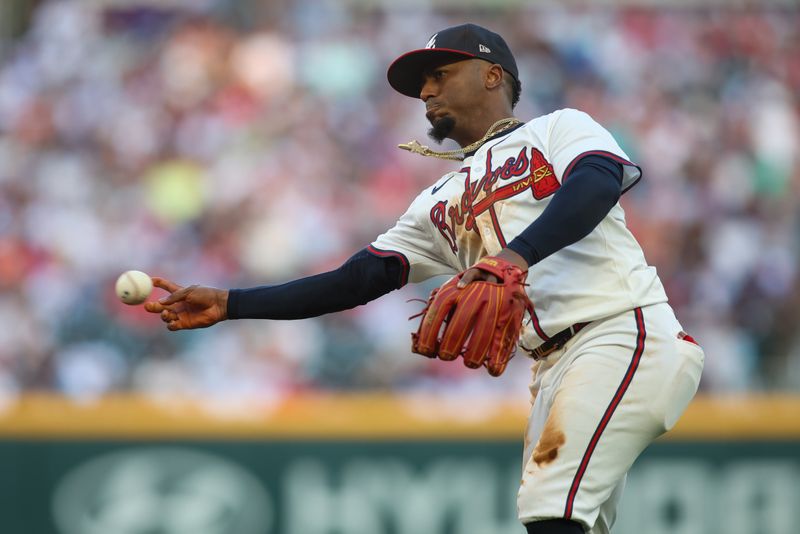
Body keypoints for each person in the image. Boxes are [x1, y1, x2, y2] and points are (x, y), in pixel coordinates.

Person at [146, 23, 705, 534]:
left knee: (549, 508)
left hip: (622, 333)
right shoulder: (435, 202)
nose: (427, 92)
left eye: (440, 75)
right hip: (555, 364)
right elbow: (355, 280)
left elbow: (598, 182)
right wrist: (233, 302)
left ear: (493, 75)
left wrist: (515, 256)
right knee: (569, 521)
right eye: (421, 85)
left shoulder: (558, 128)